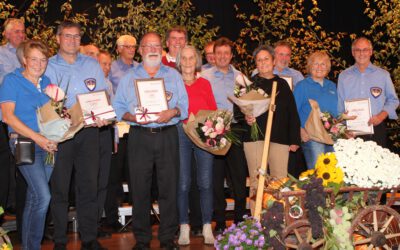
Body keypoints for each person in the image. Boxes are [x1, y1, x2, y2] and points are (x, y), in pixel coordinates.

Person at [113, 31, 188, 250]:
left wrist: (172, 112)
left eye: (157, 46)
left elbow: (184, 107)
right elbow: (118, 108)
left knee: (169, 188)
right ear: (141, 50)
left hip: (167, 136)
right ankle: (142, 240)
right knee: (139, 189)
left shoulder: (173, 75)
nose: (153, 49)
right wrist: (132, 117)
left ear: (161, 49)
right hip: (140, 137)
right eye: (148, 46)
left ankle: (167, 238)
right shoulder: (129, 77)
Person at [45, 21, 109, 250]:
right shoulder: (48, 66)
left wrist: (103, 115)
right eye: (67, 36)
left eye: (76, 36)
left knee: (89, 186)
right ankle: (60, 240)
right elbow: (44, 102)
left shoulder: (92, 64)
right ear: (58, 38)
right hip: (60, 135)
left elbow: (101, 95)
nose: (72, 40)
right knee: (60, 188)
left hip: (89, 132)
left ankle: (89, 238)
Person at [0, 39, 56, 250]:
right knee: (43, 196)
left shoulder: (48, 82)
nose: (39, 64)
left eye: (43, 60)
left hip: (47, 146)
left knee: (35, 198)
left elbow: (53, 116)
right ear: (24, 60)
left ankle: (29, 246)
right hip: (24, 143)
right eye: (34, 59)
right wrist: (38, 137)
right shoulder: (11, 81)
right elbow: (8, 117)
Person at [243, 45, 300, 215]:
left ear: (274, 61)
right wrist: (246, 117)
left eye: (266, 59)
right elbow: (238, 112)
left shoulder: (282, 84)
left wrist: (294, 139)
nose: (263, 63)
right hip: (255, 139)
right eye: (259, 60)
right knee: (257, 180)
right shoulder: (249, 85)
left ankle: (278, 220)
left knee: (280, 181)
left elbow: (292, 112)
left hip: (280, 139)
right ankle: (256, 221)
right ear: (255, 64)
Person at [201, 37, 248, 232]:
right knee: (216, 178)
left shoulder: (240, 77)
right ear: (213, 55)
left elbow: (247, 104)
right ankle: (219, 221)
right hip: (213, 130)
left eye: (226, 53)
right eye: (218, 53)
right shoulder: (204, 76)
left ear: (231, 55)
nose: (222, 56)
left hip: (235, 129)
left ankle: (240, 220)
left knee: (238, 179)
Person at [175, 45, 216, 245]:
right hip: (180, 133)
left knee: (206, 182)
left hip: (203, 134)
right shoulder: (173, 83)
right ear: (179, 61)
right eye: (185, 58)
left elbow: (213, 111)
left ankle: (207, 226)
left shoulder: (205, 84)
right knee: (183, 183)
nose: (188, 62)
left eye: (192, 58)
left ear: (197, 61)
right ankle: (184, 227)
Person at [338, 37, 399, 147]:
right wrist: (343, 128)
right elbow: (339, 104)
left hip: (377, 128)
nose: (361, 53)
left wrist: (381, 116)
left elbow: (393, 100)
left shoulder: (383, 75)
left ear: (371, 52)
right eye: (358, 50)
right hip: (351, 131)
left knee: (377, 164)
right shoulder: (343, 76)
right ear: (353, 52)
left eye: (365, 49)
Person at [294, 51, 338, 169]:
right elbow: (292, 112)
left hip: (332, 136)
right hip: (312, 137)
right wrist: (300, 130)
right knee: (318, 173)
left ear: (327, 67)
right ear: (310, 66)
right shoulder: (302, 86)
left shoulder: (332, 86)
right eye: (315, 64)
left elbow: (337, 111)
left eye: (323, 64)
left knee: (333, 173)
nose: (319, 67)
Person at [0, 18, 25, 216]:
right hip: (5, 117)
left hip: (27, 119)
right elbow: (7, 82)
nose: (21, 34)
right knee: (5, 165)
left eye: (22, 31)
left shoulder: (29, 53)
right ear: (6, 34)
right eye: (16, 31)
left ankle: (20, 205)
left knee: (24, 163)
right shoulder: (0, 54)